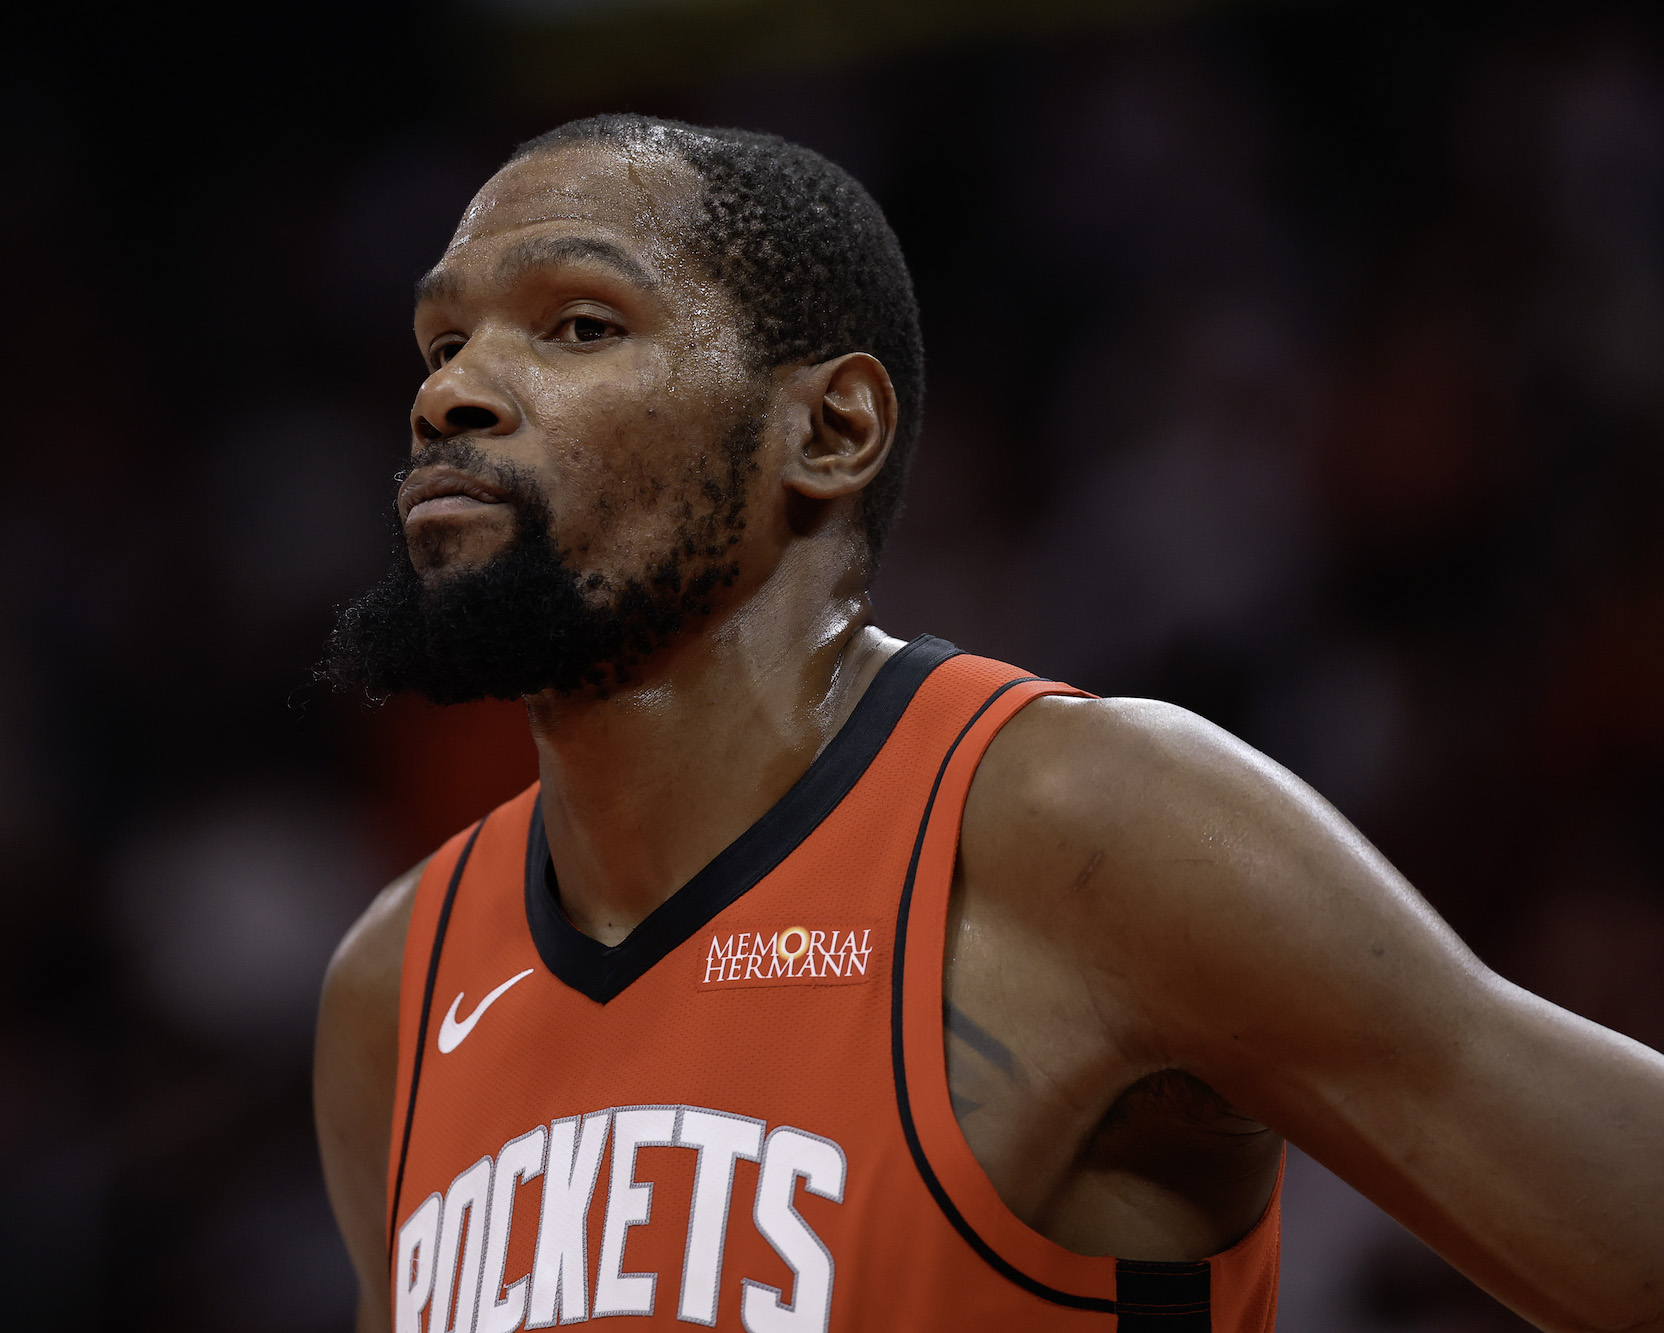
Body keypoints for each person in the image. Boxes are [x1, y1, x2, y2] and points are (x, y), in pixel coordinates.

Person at [311, 115, 1664, 1333]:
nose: (452, 393)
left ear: (830, 429)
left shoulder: (1089, 828)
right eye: (442, 342)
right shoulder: (397, 986)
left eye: (579, 324)